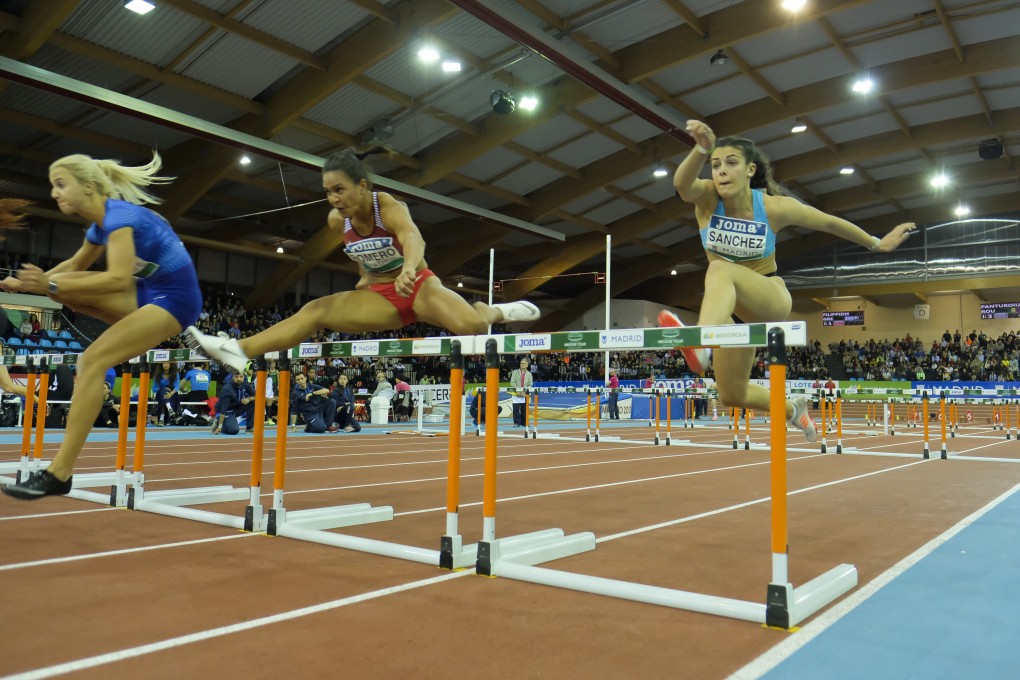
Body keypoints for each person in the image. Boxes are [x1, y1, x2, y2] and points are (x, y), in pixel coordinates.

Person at [660, 121, 916, 442]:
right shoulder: (707, 198)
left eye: (731, 163)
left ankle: (701, 342)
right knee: (732, 393)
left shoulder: (772, 207)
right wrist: (699, 148)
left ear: (751, 169)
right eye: (715, 165)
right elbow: (682, 185)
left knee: (719, 270)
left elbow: (829, 222)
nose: (721, 171)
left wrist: (877, 243)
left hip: (769, 298)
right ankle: (794, 410)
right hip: (729, 311)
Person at [183, 148, 541, 375]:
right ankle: (236, 348)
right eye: (327, 191)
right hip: (381, 296)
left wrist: (408, 269)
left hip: (418, 285)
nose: (333, 198)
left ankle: (493, 310)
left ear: (362, 186)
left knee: (473, 329)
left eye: (339, 189)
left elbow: (414, 238)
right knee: (316, 310)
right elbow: (361, 251)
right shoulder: (337, 221)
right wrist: (365, 275)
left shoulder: (387, 207)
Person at [1, 152, 203, 500]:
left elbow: (116, 277)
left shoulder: (120, 217)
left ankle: (59, 472)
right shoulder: (99, 225)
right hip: (145, 295)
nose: (54, 193)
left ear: (89, 186)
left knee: (91, 361)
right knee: (67, 292)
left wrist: (47, 285)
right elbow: (76, 263)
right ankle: (156, 331)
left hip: (175, 299)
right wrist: (32, 284)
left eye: (61, 184)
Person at [213, 370, 256, 435]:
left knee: (252, 402)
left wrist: (249, 399)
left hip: (237, 408)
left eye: (241, 377)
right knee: (234, 430)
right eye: (236, 377)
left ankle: (249, 428)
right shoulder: (227, 389)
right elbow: (224, 409)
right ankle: (218, 424)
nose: (239, 379)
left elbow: (258, 396)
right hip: (226, 411)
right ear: (232, 377)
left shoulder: (245, 384)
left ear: (244, 377)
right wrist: (220, 426)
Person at [509, 357, 533, 427]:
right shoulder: (515, 372)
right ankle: (516, 423)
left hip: (524, 393)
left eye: (523, 363)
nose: (521, 364)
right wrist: (518, 391)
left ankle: (524, 422)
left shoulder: (529, 374)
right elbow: (512, 382)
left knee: (524, 409)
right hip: (516, 392)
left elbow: (530, 384)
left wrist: (524, 392)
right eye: (521, 363)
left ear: (527, 365)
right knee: (516, 408)